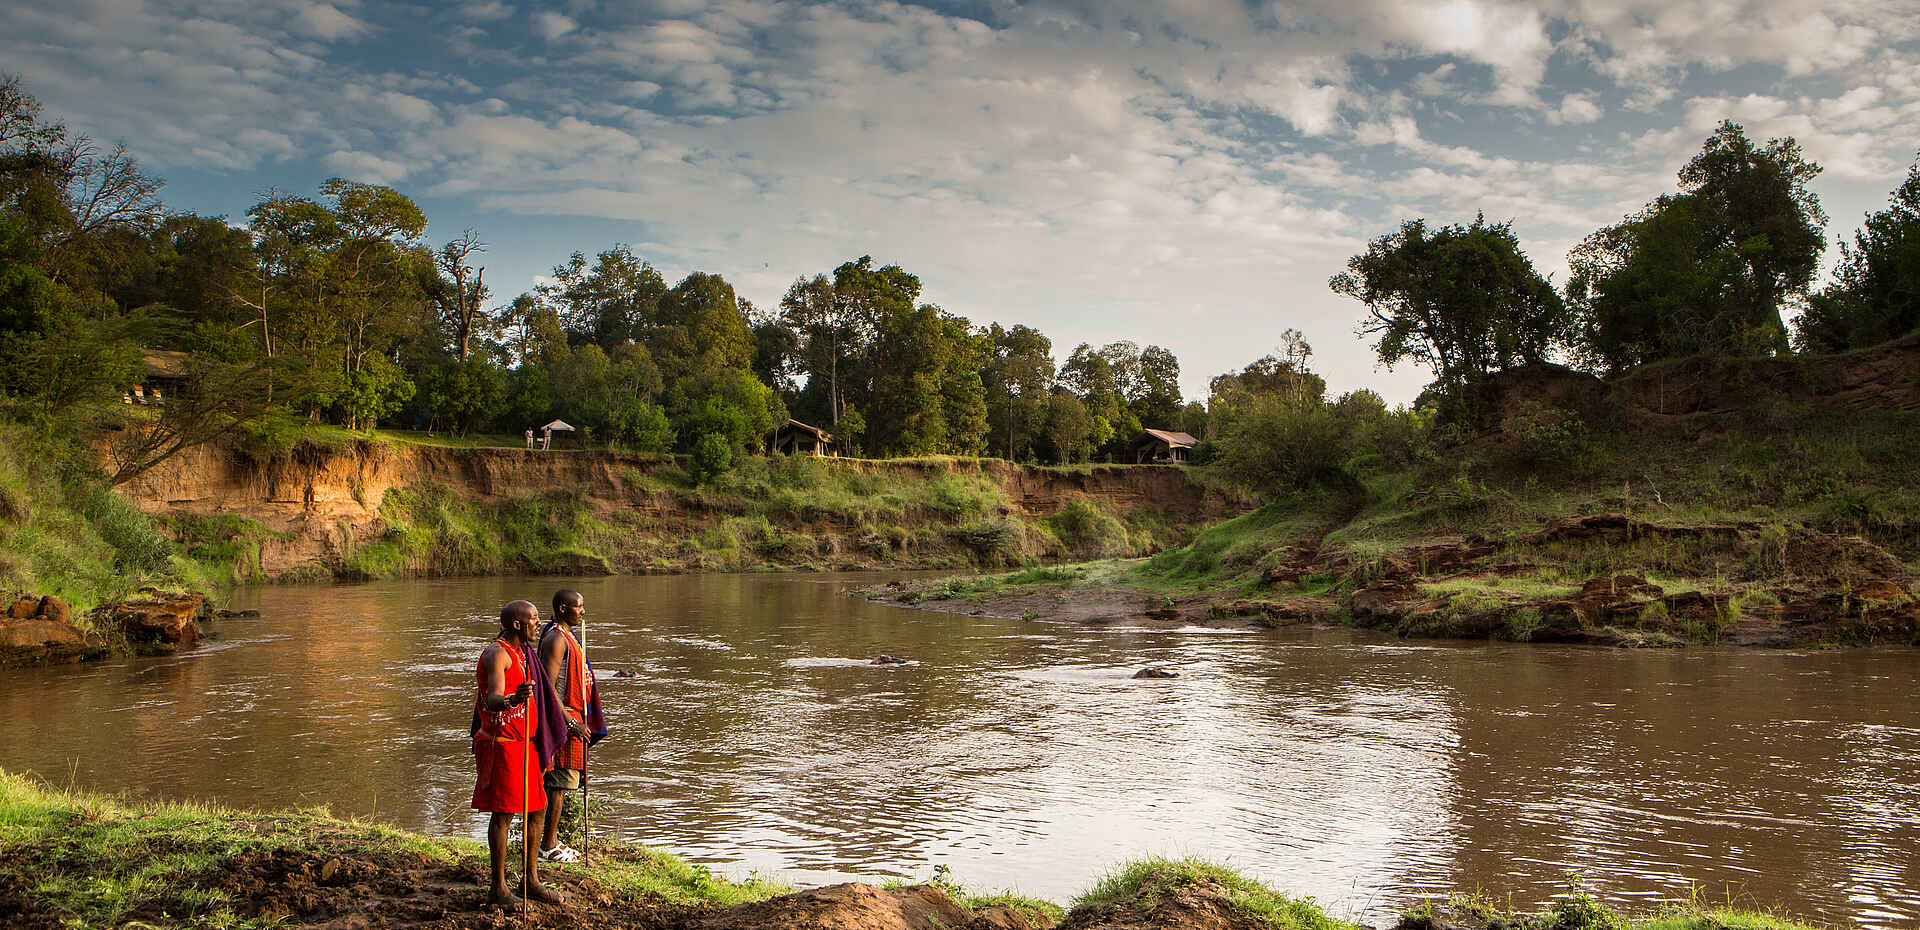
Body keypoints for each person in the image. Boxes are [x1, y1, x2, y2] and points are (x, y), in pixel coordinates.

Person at [471, 600, 567, 911]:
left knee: (537, 808)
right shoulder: (497, 653)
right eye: (534, 620)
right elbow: (494, 696)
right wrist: (513, 698)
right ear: (517, 625)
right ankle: (497, 888)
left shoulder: (523, 653)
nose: (539, 625)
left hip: (525, 744)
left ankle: (530, 879)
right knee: (504, 813)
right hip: (503, 744)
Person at [538, 589, 608, 862]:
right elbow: (547, 686)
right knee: (558, 783)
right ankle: (548, 845)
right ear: (562, 608)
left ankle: (551, 840)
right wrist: (570, 722)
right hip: (564, 721)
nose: (583, 612)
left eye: (583, 606)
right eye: (578, 607)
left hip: (574, 718)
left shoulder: (569, 637)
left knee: (565, 783)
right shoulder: (556, 639)